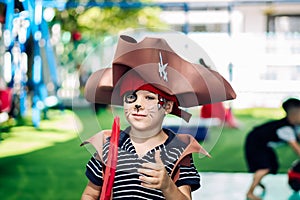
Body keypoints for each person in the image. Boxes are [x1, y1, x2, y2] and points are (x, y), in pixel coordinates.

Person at [80, 34, 236, 200]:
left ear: (167, 106)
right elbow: (91, 193)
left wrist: (167, 185)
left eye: (149, 98)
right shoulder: (109, 146)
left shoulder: (178, 150)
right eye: (131, 97)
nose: (138, 104)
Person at [244, 97, 300, 200]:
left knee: (273, 166)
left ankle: (257, 181)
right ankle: (250, 193)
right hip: (256, 143)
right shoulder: (285, 128)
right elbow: (297, 149)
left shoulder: (294, 126)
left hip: (264, 144)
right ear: (293, 115)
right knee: (265, 167)